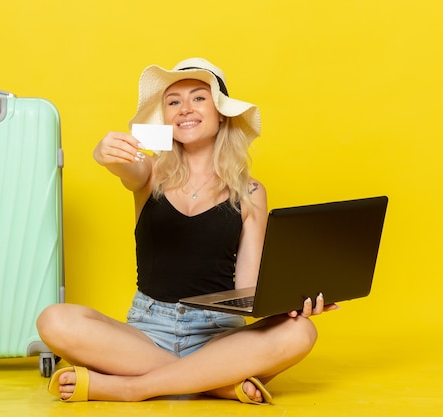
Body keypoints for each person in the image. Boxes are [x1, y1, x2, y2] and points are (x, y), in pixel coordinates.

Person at [36, 57, 338, 404]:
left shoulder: (251, 191)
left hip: (220, 335)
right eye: (173, 102)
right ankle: (217, 384)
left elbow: (247, 288)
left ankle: (132, 388)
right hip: (147, 334)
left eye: (198, 98)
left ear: (221, 112)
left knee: (301, 333)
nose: (184, 109)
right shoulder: (149, 172)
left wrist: (291, 304)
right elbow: (124, 168)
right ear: (165, 118)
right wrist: (104, 153)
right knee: (54, 320)